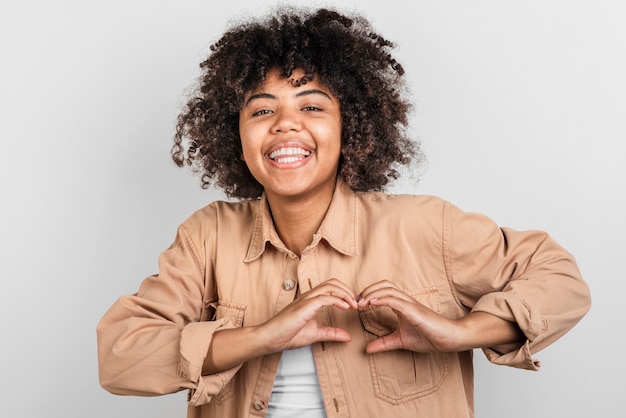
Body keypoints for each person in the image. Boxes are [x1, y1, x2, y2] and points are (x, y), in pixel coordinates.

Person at [97, 6, 591, 418]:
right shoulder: (208, 235)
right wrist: (261, 336)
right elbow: (119, 357)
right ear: (236, 136)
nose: (286, 126)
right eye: (262, 110)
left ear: (350, 126)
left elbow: (560, 279)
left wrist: (461, 332)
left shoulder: (424, 225)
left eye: (312, 107)